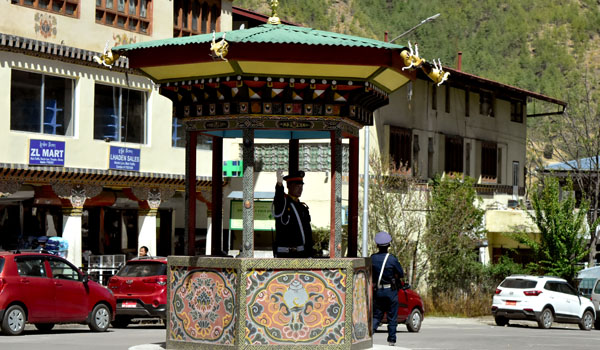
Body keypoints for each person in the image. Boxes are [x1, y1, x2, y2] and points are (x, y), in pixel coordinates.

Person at [371, 231, 404, 346]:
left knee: (376, 315)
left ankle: (368, 335)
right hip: (391, 291)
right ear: (389, 245)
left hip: (378, 291)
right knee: (392, 317)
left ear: (377, 245)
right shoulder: (392, 259)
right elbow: (401, 273)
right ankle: (391, 340)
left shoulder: (373, 258)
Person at [272, 169, 314, 258]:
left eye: (301, 186)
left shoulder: (303, 208)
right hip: (285, 255)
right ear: (289, 186)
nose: (300, 189)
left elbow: (307, 233)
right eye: (297, 186)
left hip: (300, 254)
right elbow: (279, 198)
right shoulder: (284, 203)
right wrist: (279, 185)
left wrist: (309, 254)